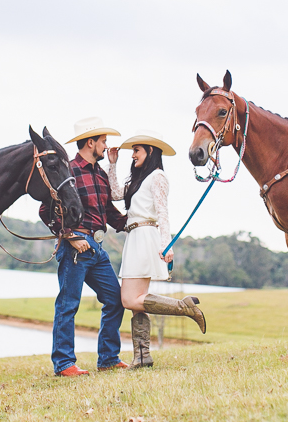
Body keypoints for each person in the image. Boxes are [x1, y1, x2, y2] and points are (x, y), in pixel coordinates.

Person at [107, 130, 206, 369]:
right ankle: (142, 357)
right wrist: (113, 165)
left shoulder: (158, 177)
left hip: (145, 238)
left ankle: (184, 307)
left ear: (150, 151)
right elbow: (114, 194)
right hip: (134, 238)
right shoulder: (139, 180)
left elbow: (163, 212)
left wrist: (166, 244)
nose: (133, 155)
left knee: (129, 299)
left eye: (137, 150)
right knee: (138, 300)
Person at [39, 117, 128, 376]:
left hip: (97, 249)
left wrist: (139, 223)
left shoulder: (100, 174)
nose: (106, 146)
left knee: (115, 300)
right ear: (91, 142)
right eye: (103, 142)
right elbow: (46, 210)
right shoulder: (70, 172)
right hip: (75, 246)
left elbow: (109, 212)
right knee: (68, 304)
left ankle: (108, 358)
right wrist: (67, 234)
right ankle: (64, 363)